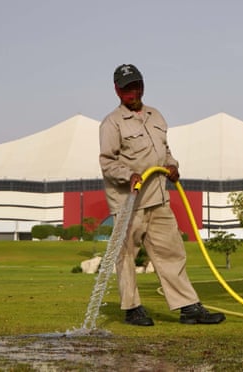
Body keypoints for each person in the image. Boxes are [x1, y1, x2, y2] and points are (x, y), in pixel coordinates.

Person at [99, 63, 226, 326]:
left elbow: (165, 152)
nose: (131, 93)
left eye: (135, 86)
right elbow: (108, 162)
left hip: (158, 198)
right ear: (116, 90)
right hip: (128, 202)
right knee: (126, 257)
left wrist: (173, 166)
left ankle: (188, 307)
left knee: (172, 251)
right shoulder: (111, 123)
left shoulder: (156, 116)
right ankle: (132, 309)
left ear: (143, 86)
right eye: (126, 89)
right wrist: (128, 175)